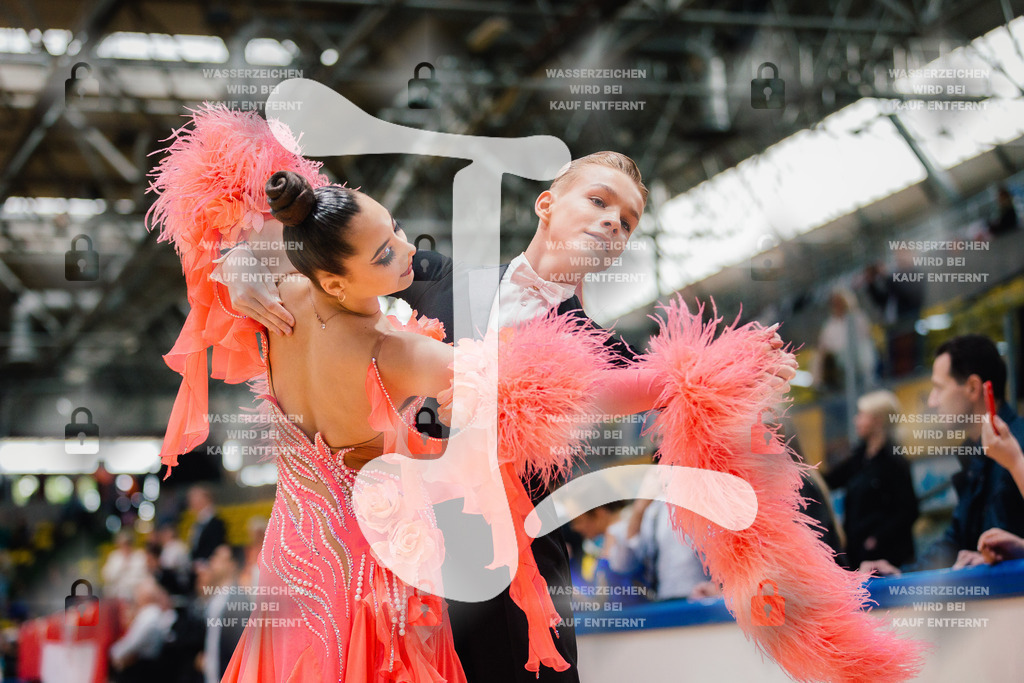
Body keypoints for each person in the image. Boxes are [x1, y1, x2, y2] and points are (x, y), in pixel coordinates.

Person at [863, 335, 1024, 576]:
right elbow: (955, 541)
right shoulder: (974, 459)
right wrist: (901, 575)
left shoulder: (1016, 448)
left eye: (939, 388)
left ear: (972, 387)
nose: (932, 401)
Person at [824, 390, 918, 570]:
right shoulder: (858, 458)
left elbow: (908, 510)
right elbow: (828, 481)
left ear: (878, 420)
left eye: (861, 415)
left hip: (888, 559)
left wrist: (877, 538)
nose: (856, 420)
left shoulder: (894, 462)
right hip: (857, 554)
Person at [604, 498, 716, 601]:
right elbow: (622, 566)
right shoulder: (653, 510)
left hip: (707, 600)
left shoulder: (706, 499)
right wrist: (638, 512)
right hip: (664, 602)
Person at [812, 288, 877, 392]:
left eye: (840, 302)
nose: (838, 306)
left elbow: (867, 335)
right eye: (835, 303)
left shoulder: (858, 317)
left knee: (865, 350)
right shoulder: (829, 326)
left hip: (860, 356)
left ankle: (868, 381)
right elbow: (823, 347)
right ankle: (820, 386)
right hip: (840, 362)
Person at [186, 485, 226, 566]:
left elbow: (215, 547)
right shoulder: (197, 523)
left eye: (194, 498)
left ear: (204, 499)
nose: (191, 502)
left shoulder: (216, 523)